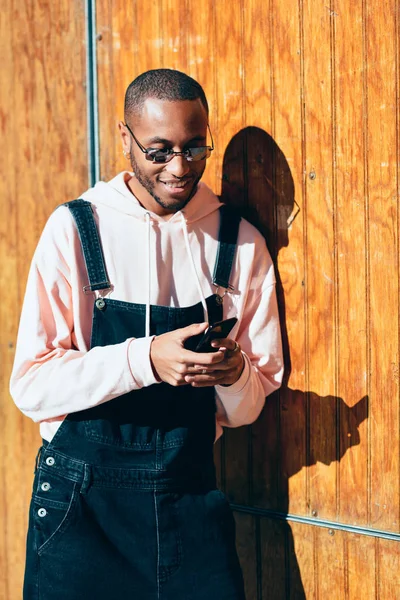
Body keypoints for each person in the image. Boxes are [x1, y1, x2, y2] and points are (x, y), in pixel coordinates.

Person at [10, 69, 283, 600]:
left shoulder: (241, 244)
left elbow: (247, 408)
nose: (180, 168)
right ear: (124, 137)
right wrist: (146, 360)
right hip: (84, 515)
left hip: (190, 503)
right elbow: (31, 386)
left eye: (195, 148)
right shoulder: (74, 229)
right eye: (159, 151)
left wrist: (233, 374)